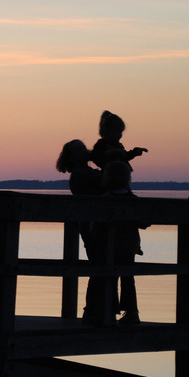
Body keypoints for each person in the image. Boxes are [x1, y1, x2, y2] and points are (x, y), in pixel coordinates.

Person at [82, 161, 148, 326]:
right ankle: (132, 313)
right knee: (128, 279)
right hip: (128, 248)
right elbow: (145, 222)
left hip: (107, 249)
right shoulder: (133, 200)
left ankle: (108, 312)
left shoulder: (104, 200)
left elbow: (94, 227)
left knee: (107, 279)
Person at [56, 139, 102, 259]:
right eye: (79, 150)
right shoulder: (80, 173)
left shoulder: (87, 172)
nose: (84, 151)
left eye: (84, 148)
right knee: (98, 263)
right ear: (71, 158)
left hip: (93, 223)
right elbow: (105, 181)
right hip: (92, 224)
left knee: (98, 264)